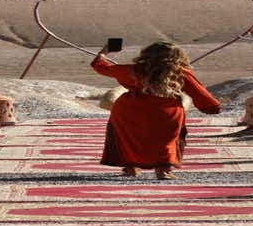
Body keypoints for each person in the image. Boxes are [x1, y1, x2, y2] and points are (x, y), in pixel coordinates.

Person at [91, 41, 222, 179]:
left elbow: (101, 66)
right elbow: (200, 93)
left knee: (128, 138)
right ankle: (163, 170)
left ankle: (130, 167)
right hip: (166, 111)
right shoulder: (180, 73)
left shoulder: (132, 70)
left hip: (129, 110)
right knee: (165, 140)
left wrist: (104, 52)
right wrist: (212, 107)